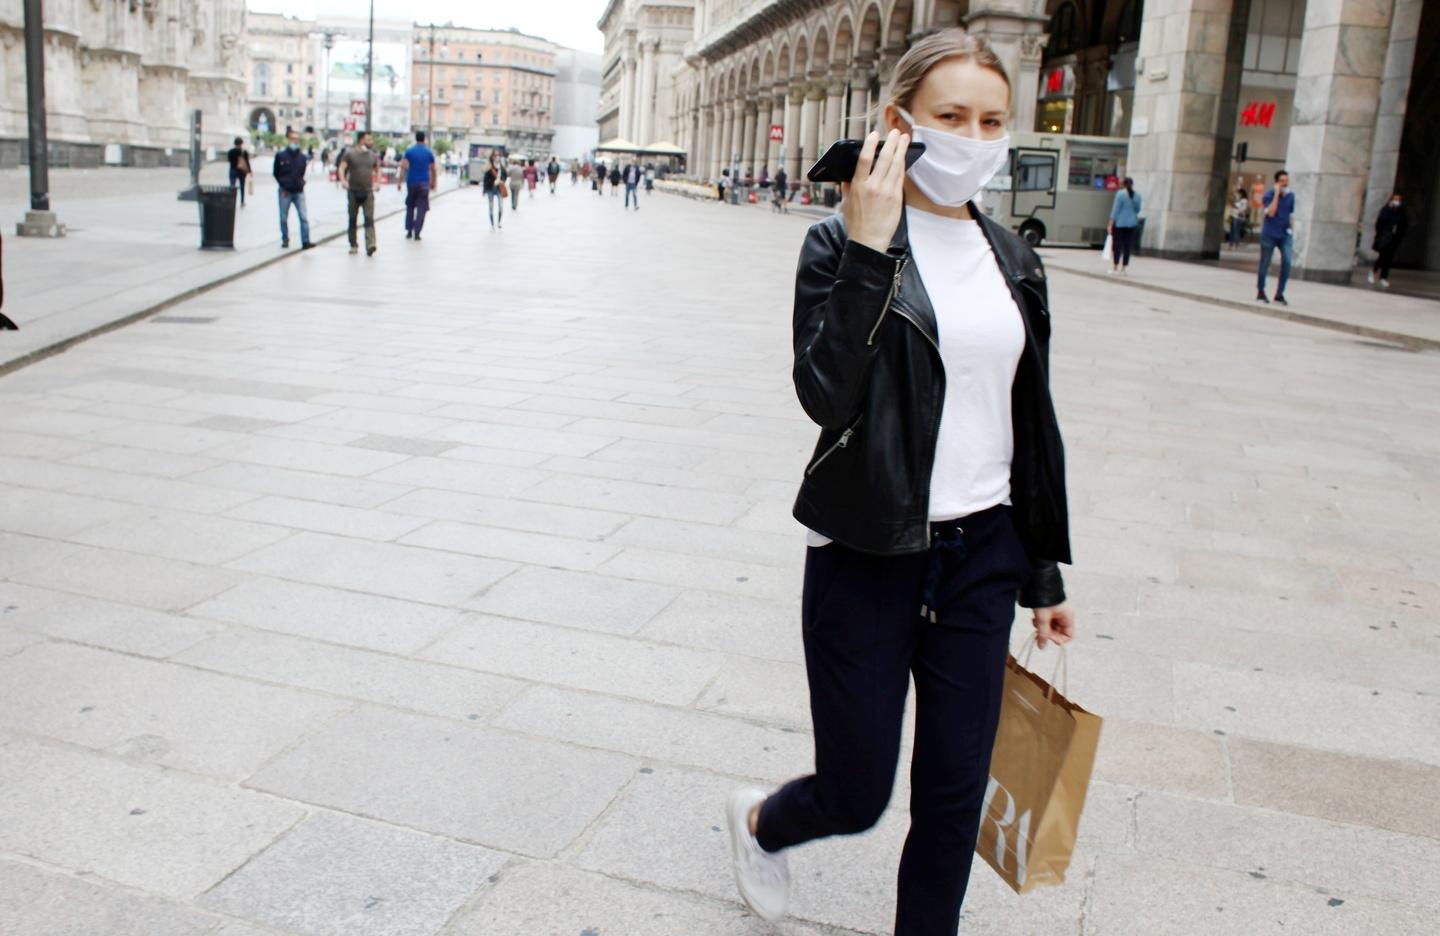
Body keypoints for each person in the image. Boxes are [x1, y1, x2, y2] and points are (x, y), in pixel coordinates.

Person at [723, 28, 1074, 934]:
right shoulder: (837, 243)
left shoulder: (1015, 258)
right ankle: (763, 822)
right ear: (900, 121)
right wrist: (873, 251)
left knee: (954, 795)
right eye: (951, 115)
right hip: (868, 551)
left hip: (981, 554)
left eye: (992, 119)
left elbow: (1026, 422)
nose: (974, 135)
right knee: (856, 790)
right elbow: (823, 394)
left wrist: (1041, 572)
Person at [1256, 169, 1295, 305]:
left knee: (1287, 261)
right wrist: (1277, 194)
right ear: (1276, 182)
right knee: (1265, 263)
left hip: (1284, 234)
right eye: (1282, 181)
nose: (1285, 184)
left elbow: (1291, 214)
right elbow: (1271, 213)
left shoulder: (1291, 196)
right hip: (1269, 234)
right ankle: (1261, 290)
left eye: (1286, 181)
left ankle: (1280, 293)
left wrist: (1291, 230)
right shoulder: (1268, 195)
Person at [338, 130, 379, 256]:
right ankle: (353, 244)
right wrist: (343, 180)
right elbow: (342, 167)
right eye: (368, 140)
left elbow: (378, 168)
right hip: (353, 191)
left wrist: (377, 182)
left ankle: (371, 244)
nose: (371, 142)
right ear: (361, 140)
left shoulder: (372, 155)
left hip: (368, 191)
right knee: (352, 218)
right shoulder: (349, 153)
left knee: (369, 218)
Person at [272, 128, 313, 249]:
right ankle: (285, 239)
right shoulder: (281, 156)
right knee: (283, 217)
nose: (295, 141)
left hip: (298, 191)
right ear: (288, 140)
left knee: (303, 217)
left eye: (297, 139)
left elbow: (303, 172)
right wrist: (283, 183)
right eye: (292, 139)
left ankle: (305, 241)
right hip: (285, 190)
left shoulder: (302, 157)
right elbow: (276, 172)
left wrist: (301, 182)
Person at [398, 130, 437, 241]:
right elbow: (433, 169)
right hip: (424, 183)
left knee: (410, 206)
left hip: (411, 182)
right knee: (421, 208)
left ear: (415, 138)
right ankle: (417, 232)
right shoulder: (429, 152)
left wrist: (399, 182)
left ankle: (409, 230)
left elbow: (403, 167)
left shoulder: (409, 151)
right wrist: (433, 182)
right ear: (424, 138)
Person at [1369, 193, 1407, 288]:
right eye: (1395, 199)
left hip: (1394, 238)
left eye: (1398, 200)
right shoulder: (1386, 210)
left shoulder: (1402, 212)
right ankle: (1374, 271)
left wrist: (1400, 236)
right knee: (1383, 257)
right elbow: (1380, 223)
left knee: (1389, 259)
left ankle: (1383, 277)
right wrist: (1380, 235)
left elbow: (1404, 225)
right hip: (1385, 237)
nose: (1396, 201)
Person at [1107, 177, 1141, 274]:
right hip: (1132, 223)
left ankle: (1115, 266)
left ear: (1123, 184)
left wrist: (1110, 222)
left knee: (1117, 245)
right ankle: (1124, 267)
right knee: (1127, 245)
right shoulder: (1137, 196)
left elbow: (1115, 209)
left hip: (1120, 223)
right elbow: (1138, 210)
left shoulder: (1120, 194)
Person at [482, 152, 506, 229]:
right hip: (490, 189)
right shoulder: (489, 168)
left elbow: (505, 176)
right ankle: (492, 224)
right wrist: (484, 190)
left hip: (499, 189)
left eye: (498, 156)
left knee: (501, 206)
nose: (497, 158)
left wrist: (502, 181)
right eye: (495, 156)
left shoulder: (502, 168)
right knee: (491, 207)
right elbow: (485, 180)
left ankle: (499, 222)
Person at [226, 136, 252, 208]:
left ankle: (231, 201)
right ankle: (242, 201)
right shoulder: (244, 152)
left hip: (233, 170)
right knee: (242, 186)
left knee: (232, 186)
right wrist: (250, 171)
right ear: (241, 143)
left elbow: (229, 160)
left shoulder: (230, 151)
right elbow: (247, 162)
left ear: (234, 143)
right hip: (242, 171)